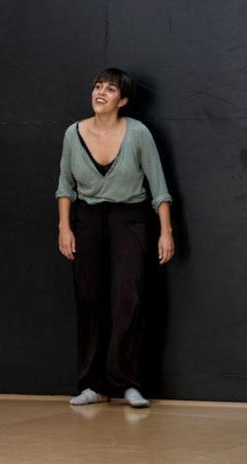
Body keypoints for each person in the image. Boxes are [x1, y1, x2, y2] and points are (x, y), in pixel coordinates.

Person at [55, 68, 174, 409]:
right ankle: (92, 385)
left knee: (128, 298)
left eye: (110, 89)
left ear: (122, 101)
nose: (101, 92)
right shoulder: (72, 133)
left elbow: (159, 187)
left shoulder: (138, 133)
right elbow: (65, 186)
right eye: (97, 86)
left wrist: (166, 232)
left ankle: (127, 384)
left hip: (130, 218)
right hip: (87, 218)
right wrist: (64, 227)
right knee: (89, 299)